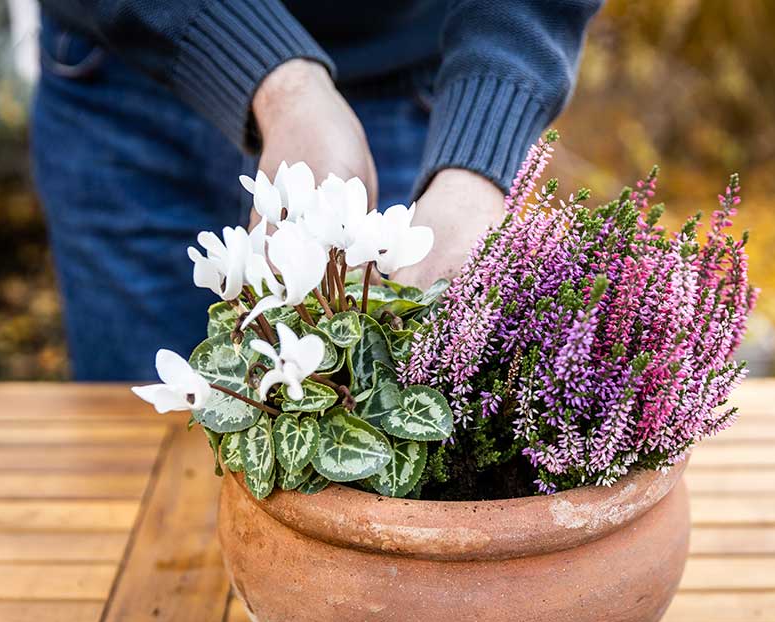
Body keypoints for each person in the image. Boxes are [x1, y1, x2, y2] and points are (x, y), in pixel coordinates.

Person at [31, 0, 602, 380]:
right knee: (130, 454)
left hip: (407, 77)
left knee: (382, 478)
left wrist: (476, 160)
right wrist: (283, 88)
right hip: (126, 61)